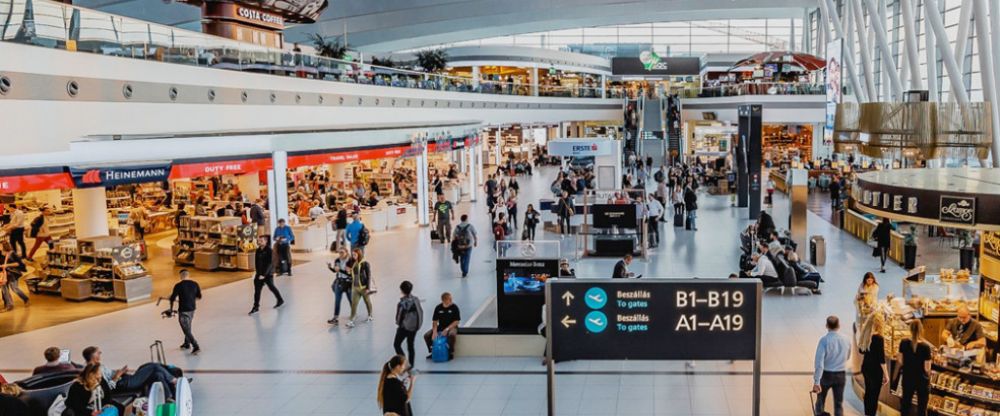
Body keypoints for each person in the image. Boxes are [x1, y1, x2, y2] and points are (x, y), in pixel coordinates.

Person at [81, 346, 177, 400]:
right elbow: (105, 389)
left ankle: (170, 397)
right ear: (93, 356)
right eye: (98, 353)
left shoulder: (99, 365)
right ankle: (174, 380)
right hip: (123, 384)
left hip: (124, 380)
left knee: (157, 374)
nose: (100, 353)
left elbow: (109, 374)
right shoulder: (93, 371)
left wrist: (119, 372)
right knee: (153, 366)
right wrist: (116, 377)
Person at [811, 316, 851, 416]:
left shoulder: (824, 341)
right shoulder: (846, 339)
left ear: (827, 325)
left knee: (820, 402)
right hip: (841, 375)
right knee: (838, 404)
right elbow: (848, 356)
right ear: (839, 325)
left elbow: (819, 363)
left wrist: (817, 381)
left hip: (826, 375)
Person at [899, 320, 932, 416]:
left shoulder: (903, 342)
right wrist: (929, 376)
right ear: (921, 330)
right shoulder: (926, 347)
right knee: (922, 406)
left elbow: (900, 360)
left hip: (907, 377)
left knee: (905, 403)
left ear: (910, 329)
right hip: (921, 380)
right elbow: (927, 368)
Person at [858, 315, 888, 416]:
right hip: (876, 371)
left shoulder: (866, 335)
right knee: (874, 396)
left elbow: (861, 351)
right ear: (879, 324)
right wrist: (886, 375)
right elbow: (881, 359)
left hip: (866, 368)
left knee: (868, 393)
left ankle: (867, 414)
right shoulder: (879, 338)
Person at [249, 236, 284, 315]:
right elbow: (257, 262)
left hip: (268, 273)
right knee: (257, 291)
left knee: (272, 287)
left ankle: (280, 300)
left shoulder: (269, 251)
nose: (259, 242)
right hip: (259, 273)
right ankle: (256, 307)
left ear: (266, 242)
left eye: (261, 241)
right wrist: (257, 273)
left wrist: (264, 274)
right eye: (259, 240)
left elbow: (270, 263)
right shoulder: (258, 250)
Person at [170, 269, 202, 355]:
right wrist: (191, 299)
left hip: (183, 310)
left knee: (186, 329)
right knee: (188, 326)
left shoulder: (178, 285)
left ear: (180, 276)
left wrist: (171, 308)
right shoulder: (195, 284)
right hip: (192, 309)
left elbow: (172, 298)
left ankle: (196, 346)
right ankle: (186, 343)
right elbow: (199, 297)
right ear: (188, 275)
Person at [393, 281, 423, 367]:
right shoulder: (416, 300)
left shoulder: (402, 303)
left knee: (397, 344)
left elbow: (399, 317)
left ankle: (403, 361)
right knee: (410, 345)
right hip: (415, 327)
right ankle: (411, 365)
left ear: (402, 290)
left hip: (404, 327)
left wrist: (399, 324)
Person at [424, 292, 460, 360]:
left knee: (451, 335)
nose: (451, 301)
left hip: (452, 327)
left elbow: (457, 321)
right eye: (449, 300)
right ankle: (433, 351)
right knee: (427, 335)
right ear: (443, 300)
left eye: (451, 299)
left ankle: (450, 352)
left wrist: (447, 329)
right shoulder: (438, 308)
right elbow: (435, 321)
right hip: (441, 326)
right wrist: (434, 332)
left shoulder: (454, 307)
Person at [347, 248, 373, 328]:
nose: (353, 256)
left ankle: (370, 315)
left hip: (364, 288)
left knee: (367, 302)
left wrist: (368, 287)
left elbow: (369, 276)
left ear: (359, 254)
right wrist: (349, 271)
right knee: (354, 304)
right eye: (352, 254)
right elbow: (352, 274)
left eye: (355, 254)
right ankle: (351, 320)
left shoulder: (365, 264)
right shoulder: (353, 262)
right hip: (355, 287)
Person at [1, 241, 29, 312]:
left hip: (12, 273)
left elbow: (18, 263)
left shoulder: (12, 253)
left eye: (0, 246)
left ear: (4, 246)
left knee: (14, 288)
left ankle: (25, 298)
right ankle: (9, 305)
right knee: (4, 290)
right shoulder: (0, 253)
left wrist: (7, 265)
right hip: (4, 274)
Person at [327, 248, 353, 325]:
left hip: (348, 283)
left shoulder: (351, 261)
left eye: (342, 252)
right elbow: (335, 270)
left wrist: (340, 270)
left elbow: (350, 274)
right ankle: (335, 317)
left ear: (346, 252)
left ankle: (353, 313)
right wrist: (330, 267)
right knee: (337, 300)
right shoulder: (337, 260)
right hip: (339, 283)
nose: (340, 254)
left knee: (351, 300)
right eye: (339, 253)